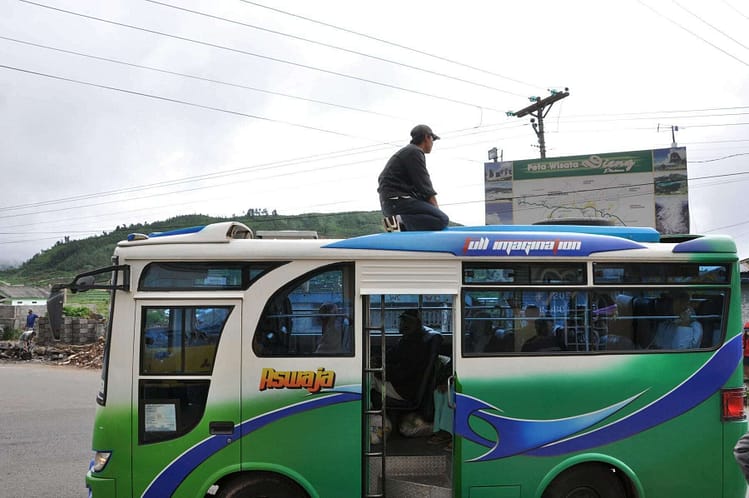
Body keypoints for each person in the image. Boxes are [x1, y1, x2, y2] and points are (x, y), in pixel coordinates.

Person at [377, 124, 450, 232]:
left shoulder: (407, 152)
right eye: (433, 139)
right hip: (398, 202)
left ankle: (400, 224)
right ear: (426, 137)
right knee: (442, 219)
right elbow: (424, 186)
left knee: (429, 217)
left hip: (390, 203)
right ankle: (399, 220)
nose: (432, 143)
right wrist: (437, 212)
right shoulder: (414, 152)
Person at [373, 309, 436, 402]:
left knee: (367, 378)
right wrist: (376, 360)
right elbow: (391, 355)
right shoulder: (406, 340)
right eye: (402, 321)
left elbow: (403, 373)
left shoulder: (416, 346)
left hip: (404, 390)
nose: (401, 324)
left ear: (414, 325)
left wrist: (379, 370)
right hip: (399, 384)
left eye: (406, 321)